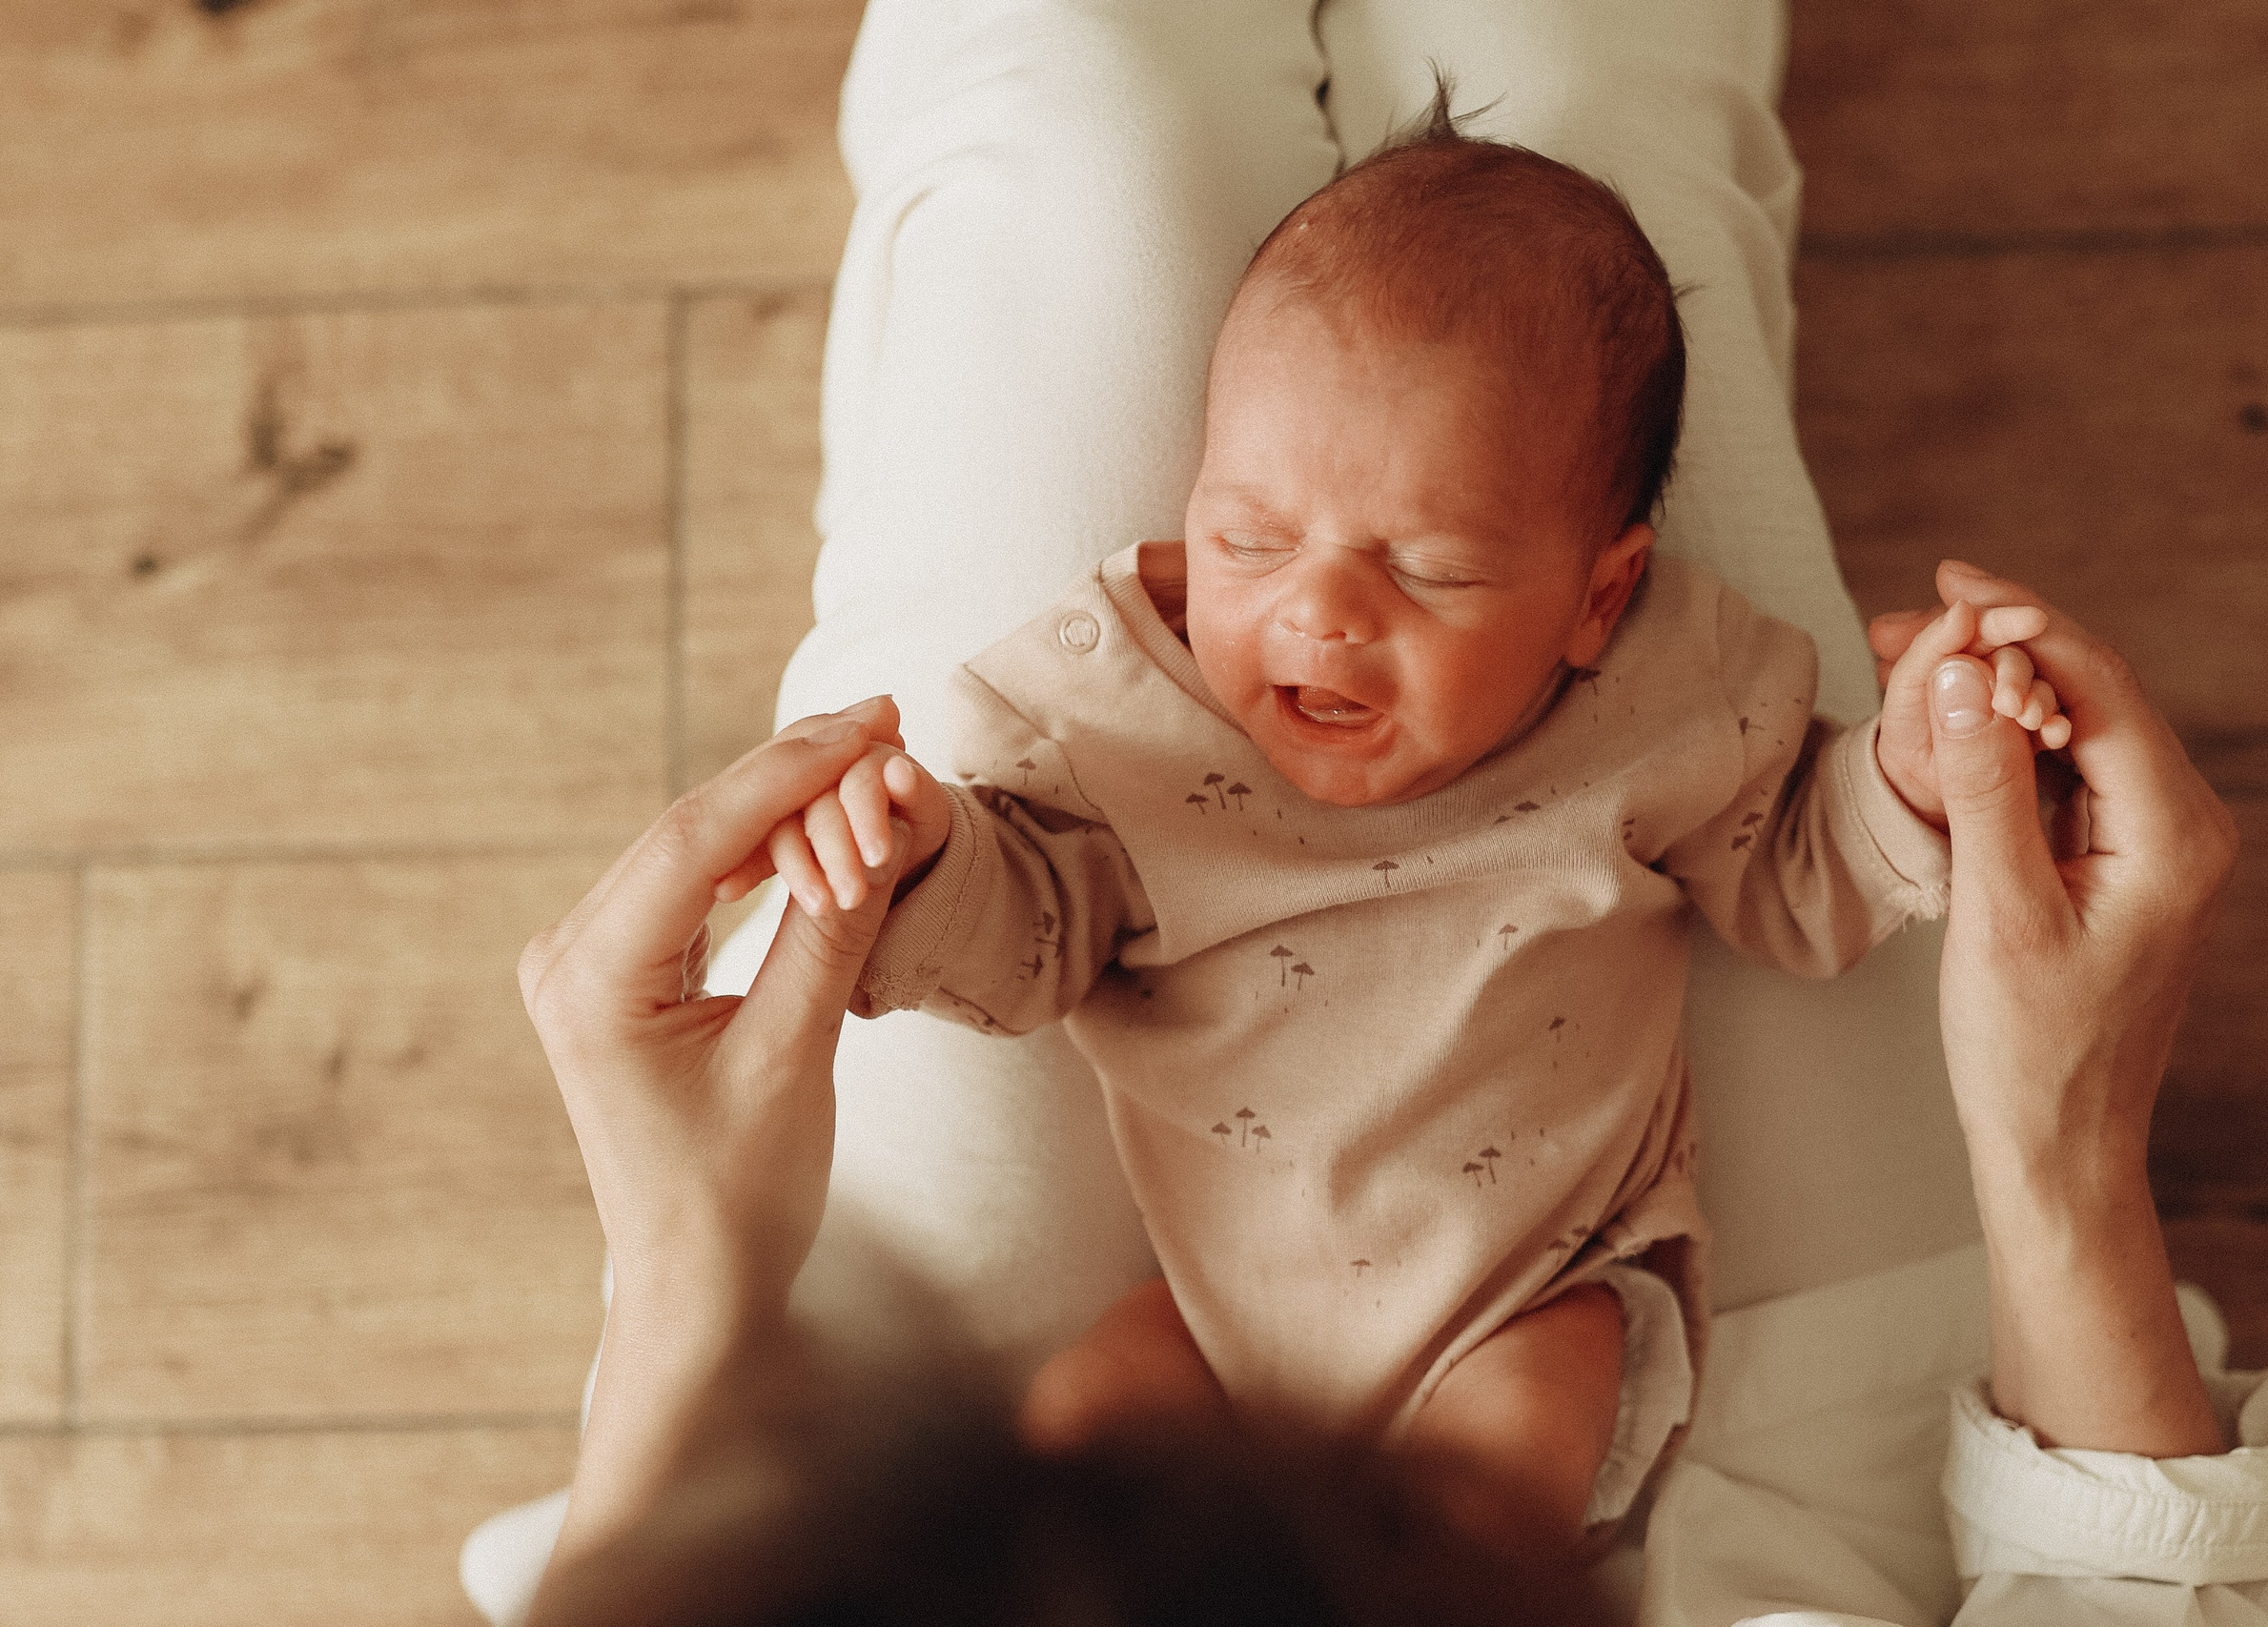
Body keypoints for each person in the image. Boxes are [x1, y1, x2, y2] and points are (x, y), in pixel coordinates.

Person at [511, 569, 2268, 1624]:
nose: (1321, 604)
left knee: (1082, 142)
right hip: (1634, 1320)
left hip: (1170, 1336)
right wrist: (2057, 1126)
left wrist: (687, 1267)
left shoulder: (1108, 707)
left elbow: (1027, 904)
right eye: (1256, 538)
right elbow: (1791, 841)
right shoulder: (1665, 690)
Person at [725, 82, 2070, 1552]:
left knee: (1494, 1491)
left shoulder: (1669, 697)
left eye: (1427, 569)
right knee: (1082, 1429)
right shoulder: (1117, 718)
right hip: (1217, 1322)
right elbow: (1028, 932)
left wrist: (1914, 773)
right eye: (1250, 539)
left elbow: (1800, 871)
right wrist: (919, 861)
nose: (1317, 613)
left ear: (1600, 595)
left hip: (1535, 1291)